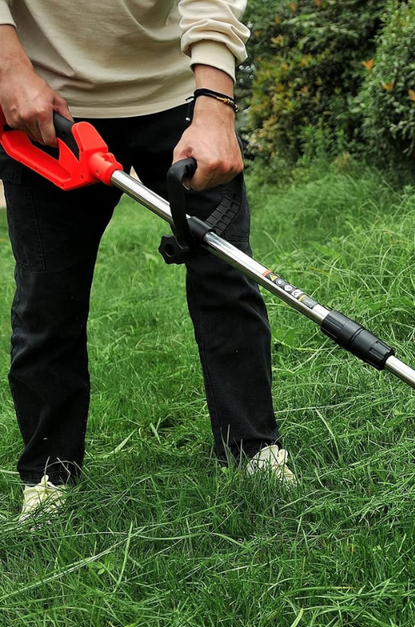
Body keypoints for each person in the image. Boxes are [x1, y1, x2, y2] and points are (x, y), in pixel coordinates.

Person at [0, 0, 295, 520]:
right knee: (47, 300)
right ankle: (49, 477)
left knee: (226, 276)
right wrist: (8, 68)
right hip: (49, 104)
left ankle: (253, 449)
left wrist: (214, 107)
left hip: (179, 91)